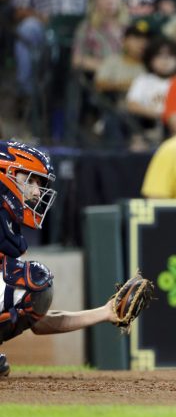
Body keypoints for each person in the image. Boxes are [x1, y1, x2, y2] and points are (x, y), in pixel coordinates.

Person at [0, 141, 145, 377]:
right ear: (7, 172)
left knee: (34, 288)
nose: (37, 191)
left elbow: (37, 320)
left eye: (39, 183)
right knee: (30, 280)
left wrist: (105, 312)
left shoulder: (8, 227)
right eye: (31, 180)